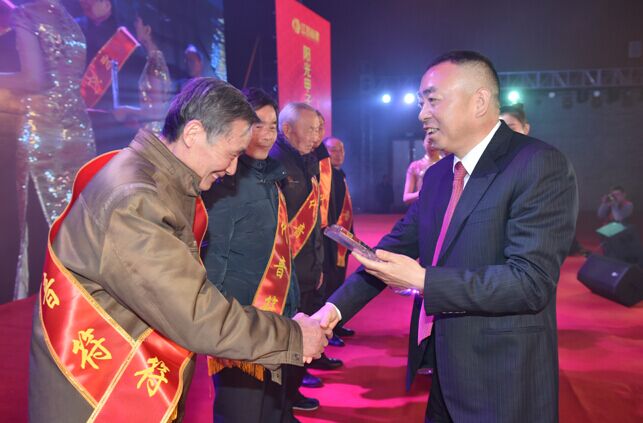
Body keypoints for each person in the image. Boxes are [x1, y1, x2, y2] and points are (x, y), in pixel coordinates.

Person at [28, 78, 329, 423]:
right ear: (194, 133)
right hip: (100, 395)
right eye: (231, 154)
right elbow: (195, 313)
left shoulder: (151, 177)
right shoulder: (136, 201)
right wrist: (292, 337)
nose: (232, 169)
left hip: (127, 377)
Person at [314, 51, 578, 422]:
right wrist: (328, 313)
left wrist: (423, 280)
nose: (422, 114)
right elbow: (386, 252)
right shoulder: (439, 176)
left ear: (479, 101)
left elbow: (530, 282)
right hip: (442, 367)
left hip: (502, 377)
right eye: (421, 103)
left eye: (433, 100)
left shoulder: (536, 164)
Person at [202, 87, 301, 422]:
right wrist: (217, 324)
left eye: (272, 125)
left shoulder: (271, 178)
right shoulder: (224, 183)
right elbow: (213, 257)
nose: (267, 134)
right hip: (239, 323)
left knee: (273, 410)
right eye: (258, 125)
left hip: (276, 320)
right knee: (242, 412)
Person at [0, 0, 97, 299]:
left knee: (38, 228)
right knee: (72, 226)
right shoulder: (72, 24)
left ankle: (39, 307)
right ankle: (74, 304)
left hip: (43, 135)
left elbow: (34, 79)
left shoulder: (26, 15)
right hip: (78, 133)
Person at [269, 102, 327, 411]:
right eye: (310, 129)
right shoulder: (274, 164)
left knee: (304, 330)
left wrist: (318, 264)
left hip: (306, 268)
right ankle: (284, 401)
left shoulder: (309, 162)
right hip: (282, 272)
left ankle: (293, 392)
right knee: (287, 335)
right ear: (287, 130)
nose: (316, 136)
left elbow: (314, 222)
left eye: (318, 129)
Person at [112, 3, 172, 133]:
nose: (134, 25)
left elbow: (156, 112)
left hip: (154, 135)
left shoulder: (155, 63)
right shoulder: (154, 60)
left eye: (137, 22)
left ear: (147, 30)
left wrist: (127, 110)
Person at [322, 136, 356, 339]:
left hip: (342, 239)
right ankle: (327, 329)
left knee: (339, 282)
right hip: (329, 240)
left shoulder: (339, 174)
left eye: (341, 150)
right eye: (333, 150)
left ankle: (337, 324)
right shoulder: (326, 176)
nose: (338, 154)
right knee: (329, 283)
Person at [403, 131, 444, 205]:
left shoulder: (448, 164)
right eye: (429, 142)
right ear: (423, 142)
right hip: (422, 208)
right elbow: (406, 197)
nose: (432, 145)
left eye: (436, 142)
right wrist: (423, 192)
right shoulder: (415, 166)